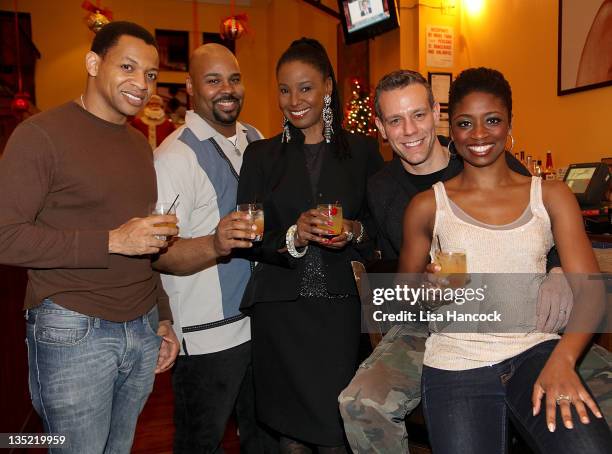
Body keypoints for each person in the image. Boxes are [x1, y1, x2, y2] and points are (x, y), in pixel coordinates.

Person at [338, 70, 574, 453]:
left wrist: (560, 267)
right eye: (395, 120)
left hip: (514, 319)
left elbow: (544, 222)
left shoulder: (483, 152)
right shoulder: (381, 188)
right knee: (358, 403)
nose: (409, 130)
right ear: (381, 127)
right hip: (428, 327)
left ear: (436, 113)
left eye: (418, 114)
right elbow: (385, 263)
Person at [399, 66, 611, 453]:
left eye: (492, 120)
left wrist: (563, 360)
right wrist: (428, 291)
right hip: (457, 360)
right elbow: (402, 294)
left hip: (537, 352)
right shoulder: (428, 205)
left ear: (510, 122)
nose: (479, 135)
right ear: (452, 127)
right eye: (465, 123)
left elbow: (593, 294)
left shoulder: (551, 196)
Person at [0, 21, 179, 454]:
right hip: (72, 328)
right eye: (128, 67)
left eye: (151, 74)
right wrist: (112, 241)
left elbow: (143, 245)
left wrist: (163, 317)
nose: (142, 83)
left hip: (140, 329)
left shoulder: (139, 145)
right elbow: (5, 237)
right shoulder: (39, 135)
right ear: (93, 63)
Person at [236, 38, 383, 452]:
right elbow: (250, 237)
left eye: (305, 87)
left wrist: (353, 230)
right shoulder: (261, 156)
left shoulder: (363, 152)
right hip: (280, 314)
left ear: (327, 88)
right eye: (284, 89)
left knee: (336, 431)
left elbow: (379, 230)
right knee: (291, 435)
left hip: (339, 312)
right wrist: (293, 237)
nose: (294, 100)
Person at [152, 43, 267, 453]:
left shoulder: (255, 138)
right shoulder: (174, 157)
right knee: (201, 444)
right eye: (213, 79)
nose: (227, 89)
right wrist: (216, 244)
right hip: (207, 340)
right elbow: (158, 253)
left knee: (262, 439)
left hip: (260, 327)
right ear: (190, 87)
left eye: (234, 79)